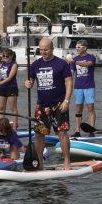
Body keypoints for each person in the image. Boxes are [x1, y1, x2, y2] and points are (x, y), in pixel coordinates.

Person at [25, 37, 72, 169]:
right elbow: (30, 81)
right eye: (41, 49)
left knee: (62, 133)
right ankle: (39, 162)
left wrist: (67, 100)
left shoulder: (61, 64)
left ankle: (67, 161)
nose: (43, 52)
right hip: (41, 106)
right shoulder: (35, 65)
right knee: (39, 135)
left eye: (46, 49)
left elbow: (69, 82)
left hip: (59, 104)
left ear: (52, 49)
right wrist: (27, 83)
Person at [69, 40, 96, 137]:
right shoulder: (74, 59)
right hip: (78, 87)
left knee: (90, 108)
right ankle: (77, 131)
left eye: (79, 47)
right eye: (76, 47)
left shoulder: (91, 57)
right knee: (78, 108)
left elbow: (88, 64)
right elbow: (71, 74)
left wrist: (75, 61)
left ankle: (92, 130)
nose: (77, 48)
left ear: (85, 48)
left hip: (89, 86)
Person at [0, 49, 19, 127]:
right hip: (2, 88)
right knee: (1, 108)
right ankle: (1, 126)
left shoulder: (14, 64)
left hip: (11, 87)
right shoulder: (2, 64)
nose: (5, 58)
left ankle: (15, 127)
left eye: (7, 56)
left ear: (11, 56)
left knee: (13, 109)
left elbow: (9, 78)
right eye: (4, 56)